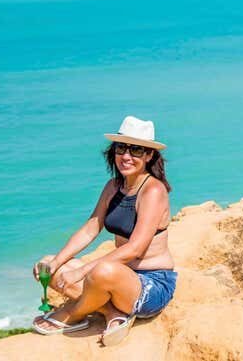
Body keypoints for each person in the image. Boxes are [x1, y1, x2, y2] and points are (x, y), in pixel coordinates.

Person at [31, 115, 177, 346]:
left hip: (150, 284)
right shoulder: (113, 186)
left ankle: (73, 314)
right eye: (122, 148)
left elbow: (136, 248)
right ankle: (112, 313)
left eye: (137, 150)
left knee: (102, 271)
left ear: (149, 155)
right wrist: (57, 261)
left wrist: (80, 273)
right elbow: (91, 228)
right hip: (116, 276)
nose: (126, 156)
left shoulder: (153, 191)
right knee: (48, 266)